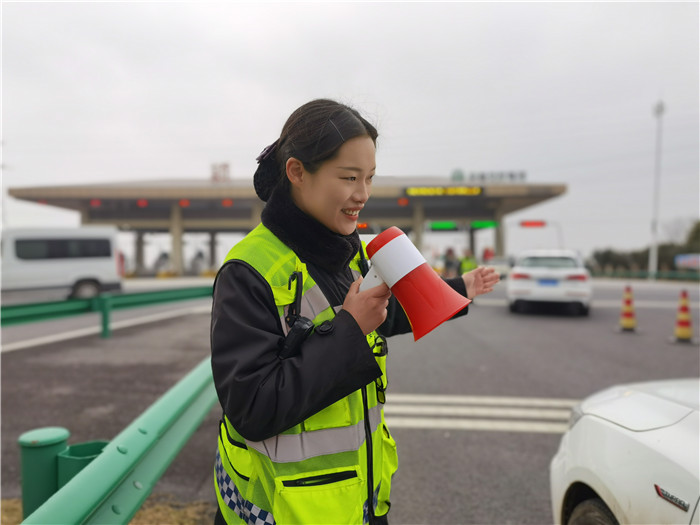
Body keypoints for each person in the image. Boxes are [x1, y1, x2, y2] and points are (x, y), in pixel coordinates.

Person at [210, 99, 499, 525]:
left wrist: (459, 289)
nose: (362, 195)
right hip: (277, 512)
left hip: (360, 501)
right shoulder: (248, 270)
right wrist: (349, 329)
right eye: (348, 177)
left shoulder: (350, 250)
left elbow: (386, 311)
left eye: (369, 178)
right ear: (296, 172)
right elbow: (253, 406)